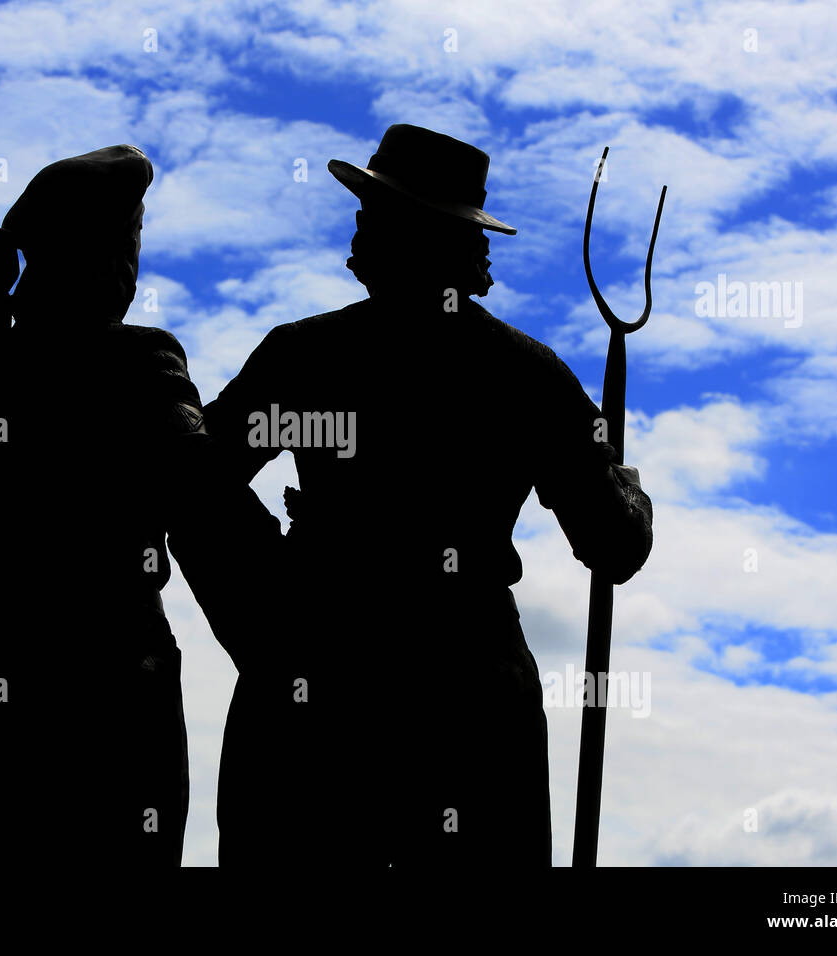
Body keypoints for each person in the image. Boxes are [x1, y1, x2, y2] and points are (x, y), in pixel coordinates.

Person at [192, 124, 655, 867]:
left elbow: (196, 481)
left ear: (424, 235)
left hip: (322, 684)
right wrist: (627, 487)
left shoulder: (305, 358)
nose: (357, 227)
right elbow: (613, 542)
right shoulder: (530, 377)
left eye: (376, 212)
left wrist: (267, 612)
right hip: (467, 696)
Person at [0, 145, 220, 867]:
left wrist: (8, 574)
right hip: (114, 700)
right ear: (106, 255)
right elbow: (202, 489)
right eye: (132, 241)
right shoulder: (142, 362)